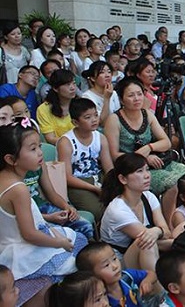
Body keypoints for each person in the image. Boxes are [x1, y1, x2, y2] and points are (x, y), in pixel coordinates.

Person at [0, 118, 87, 307]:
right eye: (32, 149)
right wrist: (59, 242)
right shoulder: (18, 189)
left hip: (18, 241)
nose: (40, 153)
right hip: (21, 249)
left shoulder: (6, 180)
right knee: (77, 248)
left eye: (39, 146)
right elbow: (29, 234)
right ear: (10, 159)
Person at [104, 77, 185, 220]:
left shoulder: (147, 114)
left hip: (156, 162)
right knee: (172, 184)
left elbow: (166, 142)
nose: (136, 98)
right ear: (122, 100)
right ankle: (169, 222)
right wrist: (143, 158)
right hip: (132, 169)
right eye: (131, 95)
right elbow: (114, 154)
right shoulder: (114, 119)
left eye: (139, 94)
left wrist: (149, 147)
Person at [99, 154, 173, 271]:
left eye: (147, 170)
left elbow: (166, 232)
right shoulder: (117, 210)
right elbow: (150, 239)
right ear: (123, 179)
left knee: (184, 228)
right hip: (118, 263)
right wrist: (177, 243)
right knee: (146, 243)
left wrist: (158, 231)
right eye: (139, 171)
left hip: (151, 249)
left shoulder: (148, 196)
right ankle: (157, 288)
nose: (147, 176)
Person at [57, 98, 114, 222]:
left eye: (95, 115)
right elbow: (66, 177)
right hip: (78, 182)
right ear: (75, 122)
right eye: (87, 117)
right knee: (97, 210)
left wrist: (112, 185)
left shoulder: (100, 137)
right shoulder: (66, 142)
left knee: (119, 201)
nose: (94, 120)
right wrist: (94, 188)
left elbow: (109, 168)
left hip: (98, 177)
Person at [76, 242, 163, 306]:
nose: (115, 266)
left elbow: (151, 274)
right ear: (92, 274)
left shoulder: (127, 276)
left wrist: (147, 281)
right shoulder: (101, 300)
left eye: (114, 259)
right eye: (106, 265)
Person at [37, 69, 78, 144]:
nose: (72, 88)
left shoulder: (80, 104)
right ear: (55, 88)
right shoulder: (43, 109)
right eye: (67, 84)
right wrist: (73, 144)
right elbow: (50, 138)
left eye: (74, 83)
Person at [81, 61, 120, 126]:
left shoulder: (113, 93)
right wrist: (107, 99)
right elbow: (101, 122)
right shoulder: (87, 96)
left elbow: (118, 116)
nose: (107, 75)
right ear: (93, 78)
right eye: (102, 72)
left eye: (109, 72)